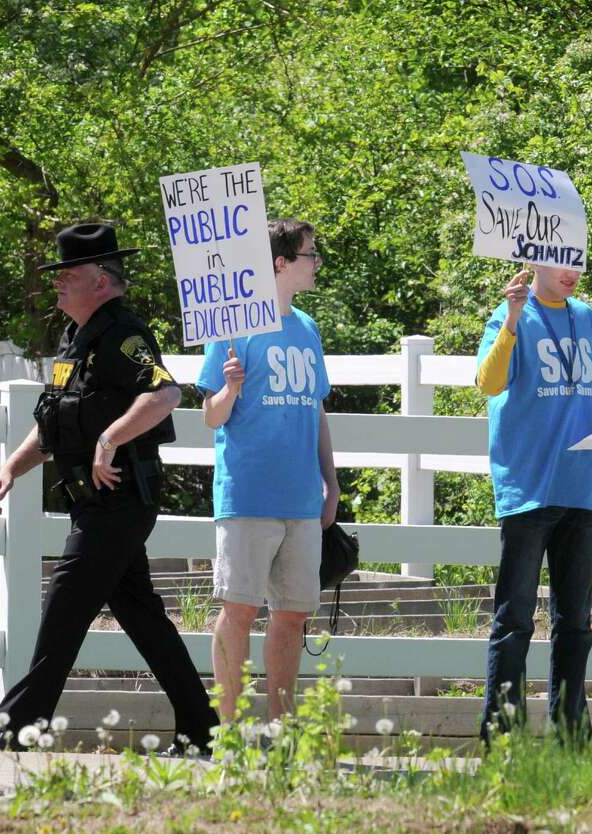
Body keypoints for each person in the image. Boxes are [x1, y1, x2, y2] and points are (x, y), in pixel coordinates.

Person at [0, 223, 218, 754]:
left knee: (64, 609)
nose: (56, 283)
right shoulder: (74, 340)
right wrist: (12, 469)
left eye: (67, 274)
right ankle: (201, 732)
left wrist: (109, 439)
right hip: (93, 504)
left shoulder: (124, 333)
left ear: (101, 279)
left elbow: (165, 394)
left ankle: (15, 731)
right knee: (145, 621)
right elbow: (54, 423)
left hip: (119, 500)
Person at [476, 264, 592, 744]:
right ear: (538, 259)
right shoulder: (511, 313)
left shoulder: (585, 317)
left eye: (579, 262)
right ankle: (503, 738)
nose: (573, 272)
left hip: (580, 487)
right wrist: (511, 320)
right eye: (564, 262)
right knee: (514, 621)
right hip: (528, 488)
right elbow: (488, 383)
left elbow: (588, 398)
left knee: (577, 624)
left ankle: (571, 737)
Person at [197, 218, 338, 722]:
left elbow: (316, 408)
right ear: (280, 262)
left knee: (293, 614)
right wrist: (230, 388)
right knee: (238, 609)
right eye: (310, 254)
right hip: (248, 495)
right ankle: (231, 730)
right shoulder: (232, 326)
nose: (317, 263)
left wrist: (331, 482)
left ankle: (281, 727)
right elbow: (211, 415)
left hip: (300, 498)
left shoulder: (308, 328)